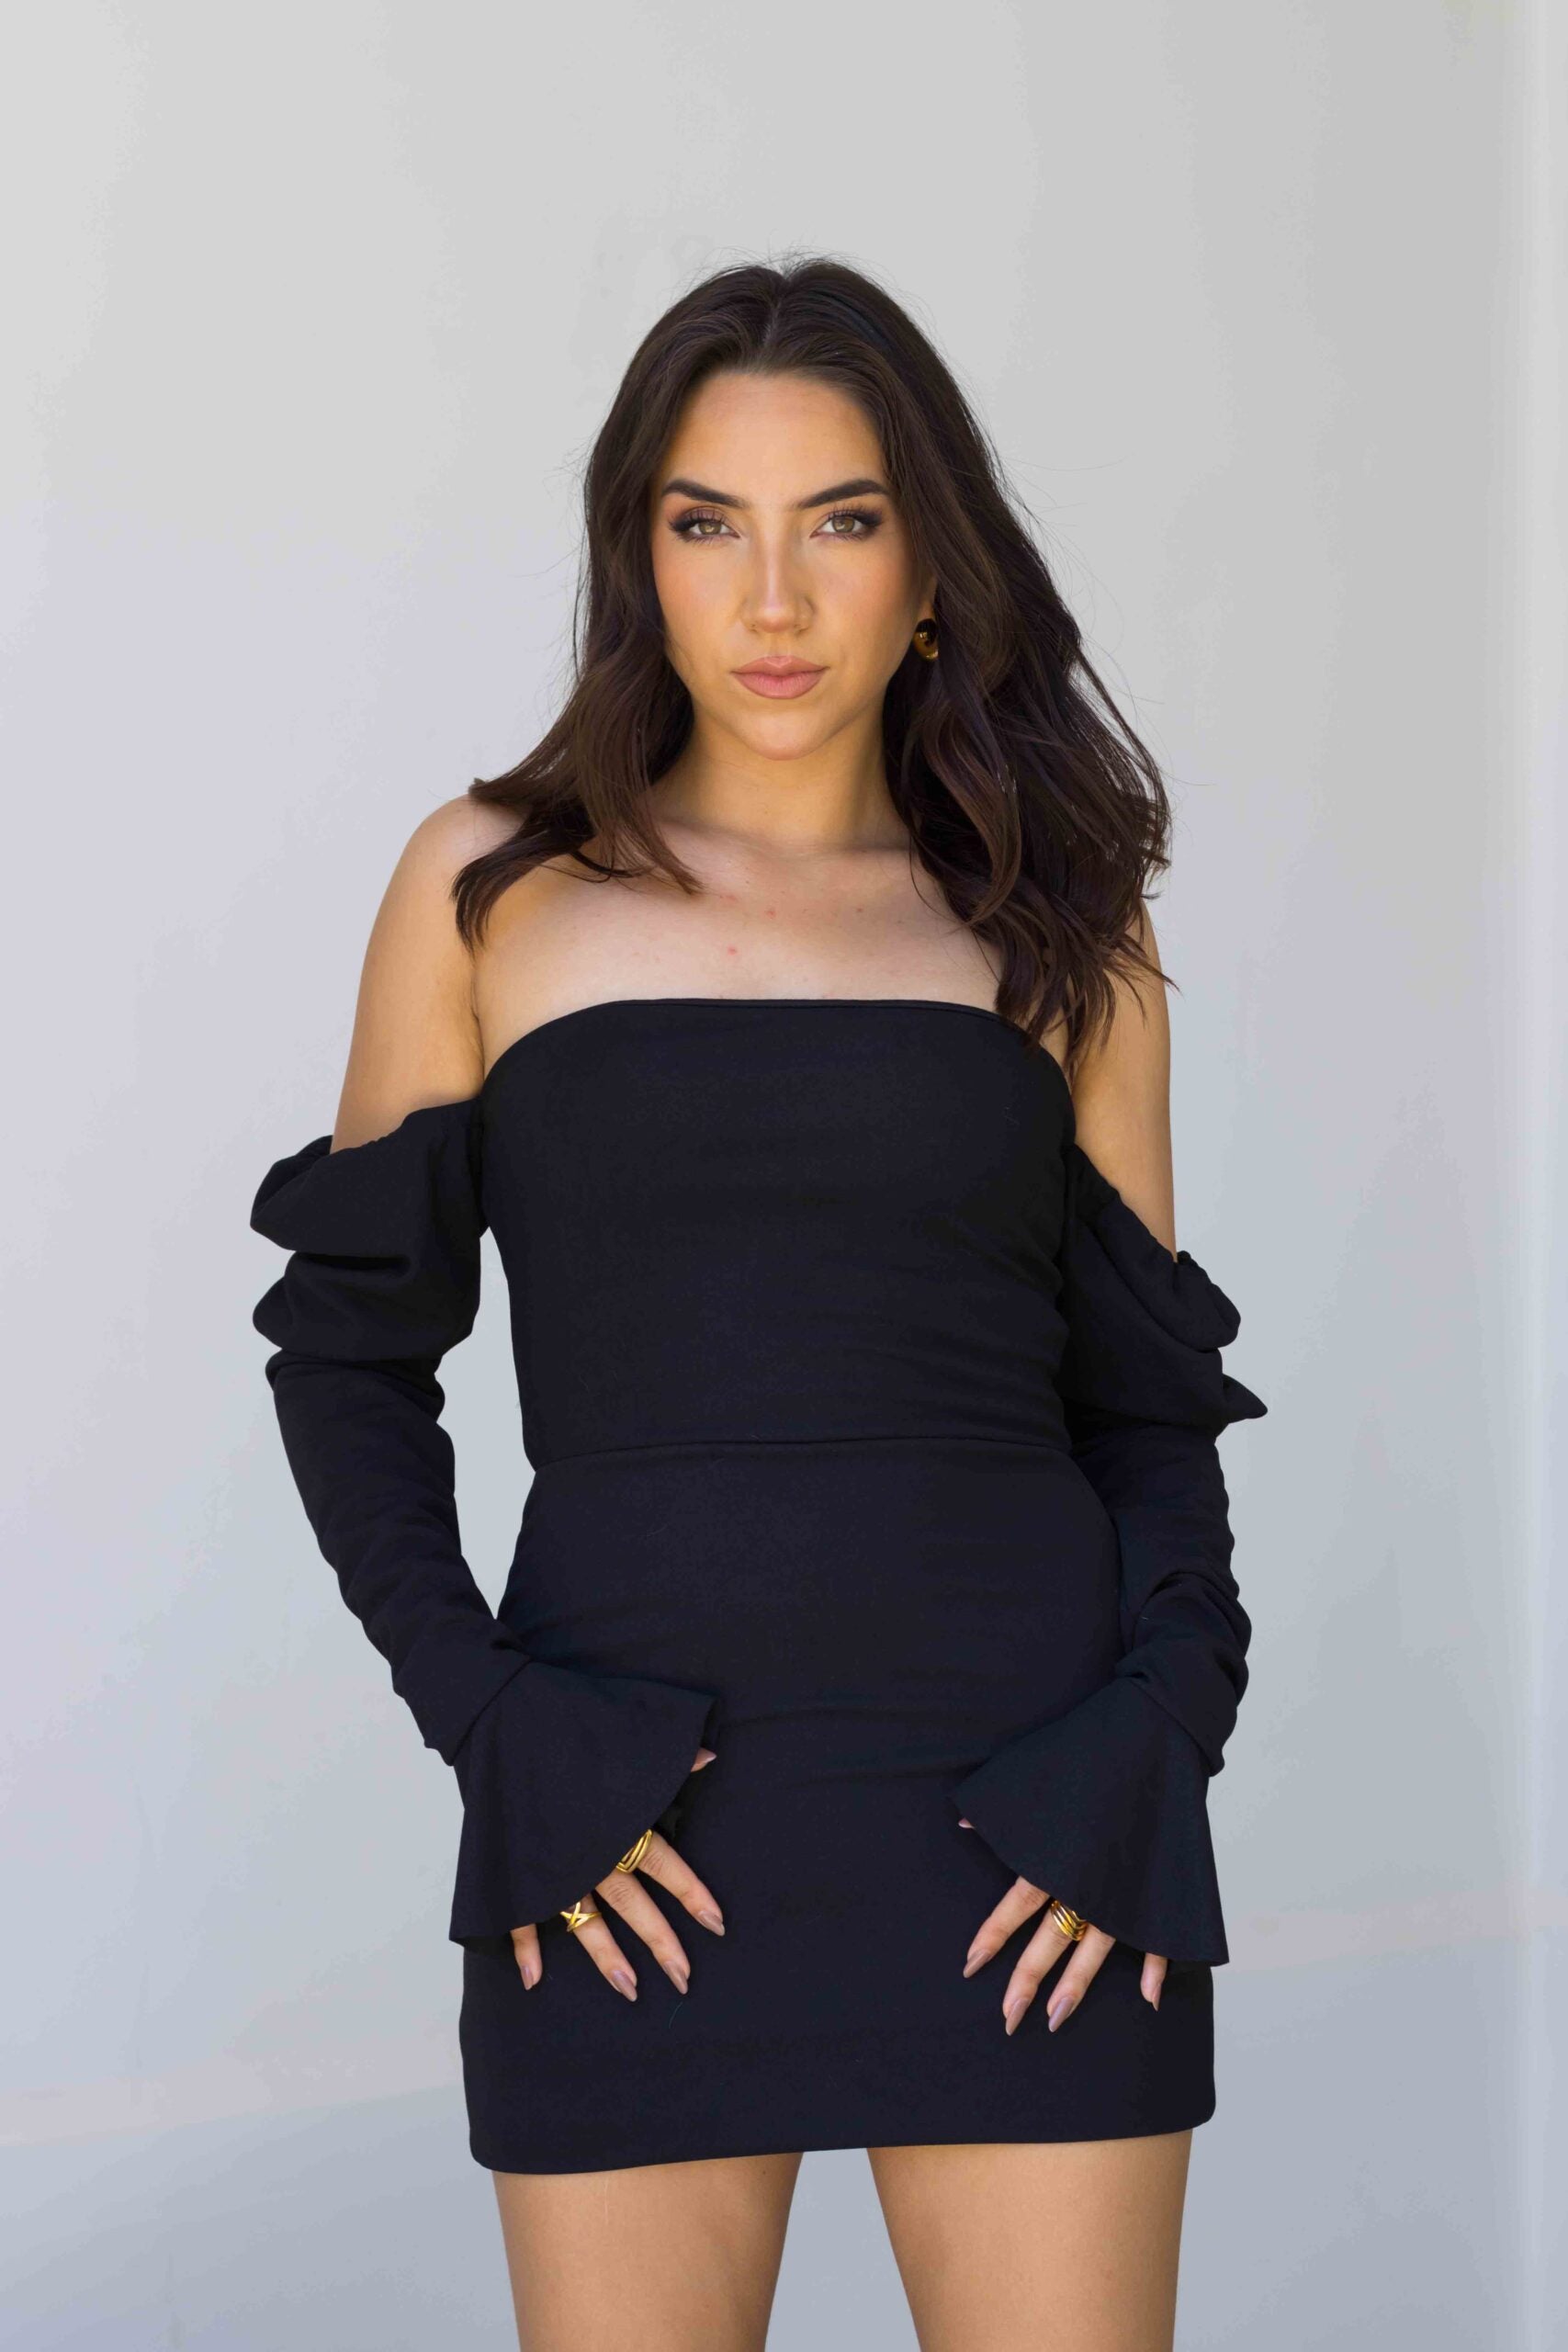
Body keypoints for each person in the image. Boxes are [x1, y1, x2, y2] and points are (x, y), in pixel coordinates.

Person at [248, 255, 1268, 2352]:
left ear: (931, 565)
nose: (774, 598)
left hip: (1032, 1828)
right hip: (626, 1831)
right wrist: (494, 1728)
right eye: (707, 522)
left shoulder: (1062, 927)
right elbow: (348, 1359)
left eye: (842, 521)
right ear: (639, 556)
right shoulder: (492, 887)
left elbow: (1148, 1415)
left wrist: (1154, 1742)